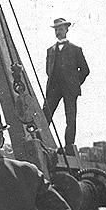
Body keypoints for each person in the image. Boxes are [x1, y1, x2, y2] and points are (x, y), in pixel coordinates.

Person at [43, 17, 90, 152]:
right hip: (54, 88)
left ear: (66, 30)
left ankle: (69, 146)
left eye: (61, 29)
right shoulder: (50, 50)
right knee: (45, 114)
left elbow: (85, 70)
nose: (58, 32)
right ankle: (40, 141)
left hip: (70, 88)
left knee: (70, 117)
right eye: (56, 29)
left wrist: (74, 83)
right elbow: (48, 70)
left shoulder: (76, 49)